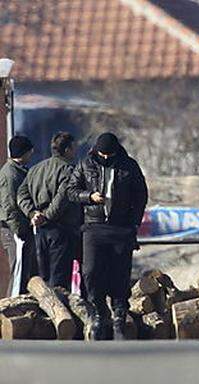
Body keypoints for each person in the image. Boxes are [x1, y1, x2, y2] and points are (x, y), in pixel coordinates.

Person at [68, 132, 148, 340]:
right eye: (101, 154)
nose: (104, 158)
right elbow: (71, 190)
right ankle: (97, 310)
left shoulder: (128, 165)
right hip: (93, 226)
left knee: (120, 273)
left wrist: (134, 223)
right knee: (91, 271)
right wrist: (89, 196)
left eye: (108, 155)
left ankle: (119, 314)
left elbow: (141, 196)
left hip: (121, 227)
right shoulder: (86, 164)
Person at [17, 132, 82, 291]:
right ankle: (60, 313)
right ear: (67, 150)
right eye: (74, 148)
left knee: (43, 277)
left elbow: (21, 194)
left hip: (40, 231)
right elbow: (62, 199)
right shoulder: (68, 170)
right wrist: (46, 217)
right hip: (61, 230)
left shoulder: (35, 169)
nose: (75, 151)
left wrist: (33, 213)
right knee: (59, 280)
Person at [0, 136, 36, 296]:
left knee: (24, 269)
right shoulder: (10, 174)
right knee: (18, 268)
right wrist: (18, 231)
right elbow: (9, 206)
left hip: (20, 226)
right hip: (13, 228)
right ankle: (13, 306)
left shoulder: (20, 171)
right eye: (30, 151)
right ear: (24, 152)